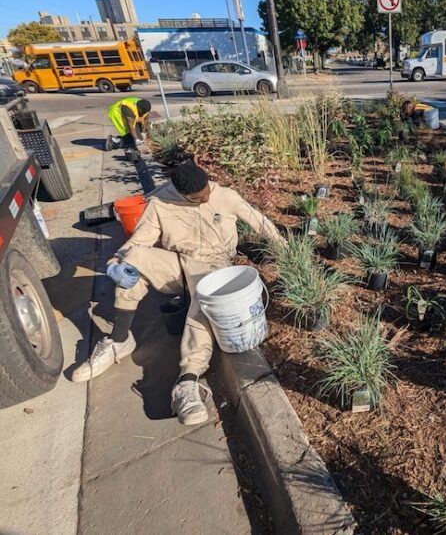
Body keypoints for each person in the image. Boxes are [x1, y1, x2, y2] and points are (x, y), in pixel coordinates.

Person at [71, 163, 286, 426]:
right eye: (197, 198)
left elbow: (260, 222)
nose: (205, 198)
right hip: (177, 265)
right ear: (181, 193)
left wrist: (287, 253)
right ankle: (118, 340)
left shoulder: (225, 196)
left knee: (204, 296)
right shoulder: (160, 203)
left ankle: (187, 381)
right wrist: (116, 264)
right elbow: (139, 242)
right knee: (132, 260)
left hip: (215, 266)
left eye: (206, 192)